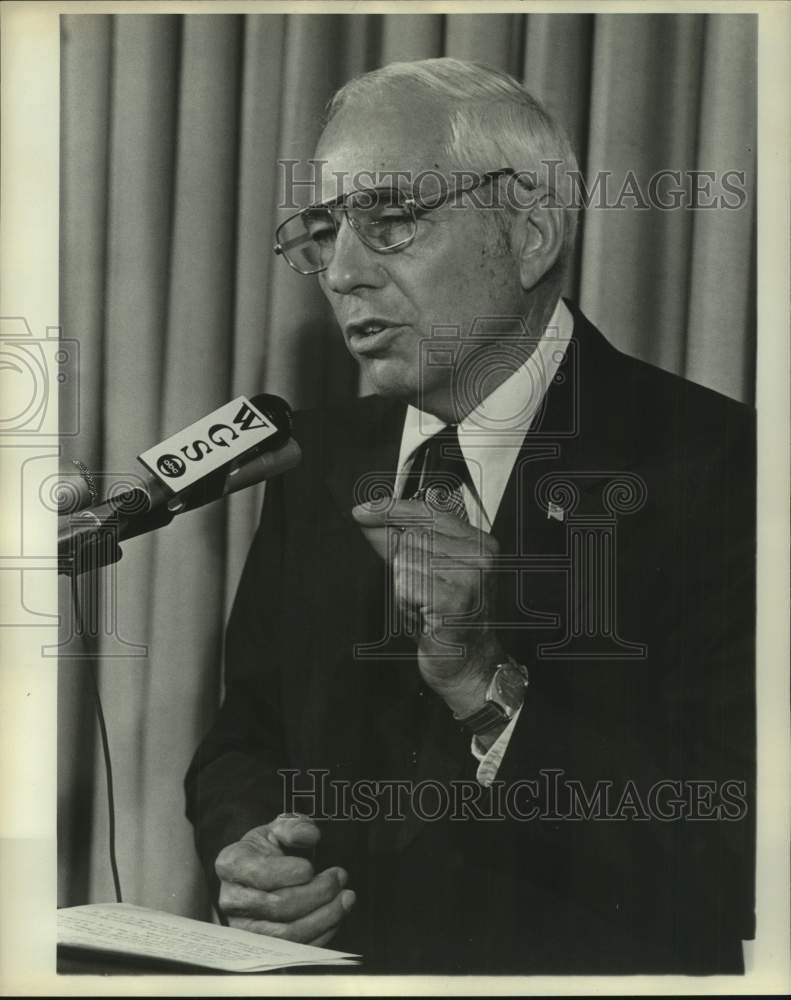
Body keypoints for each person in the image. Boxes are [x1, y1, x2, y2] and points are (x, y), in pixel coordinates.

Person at [185, 58, 755, 974]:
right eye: (325, 232)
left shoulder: (728, 469)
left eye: (391, 221)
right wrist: (254, 850)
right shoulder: (319, 460)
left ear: (528, 232)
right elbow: (246, 737)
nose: (339, 274)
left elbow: (740, 851)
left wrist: (488, 689)